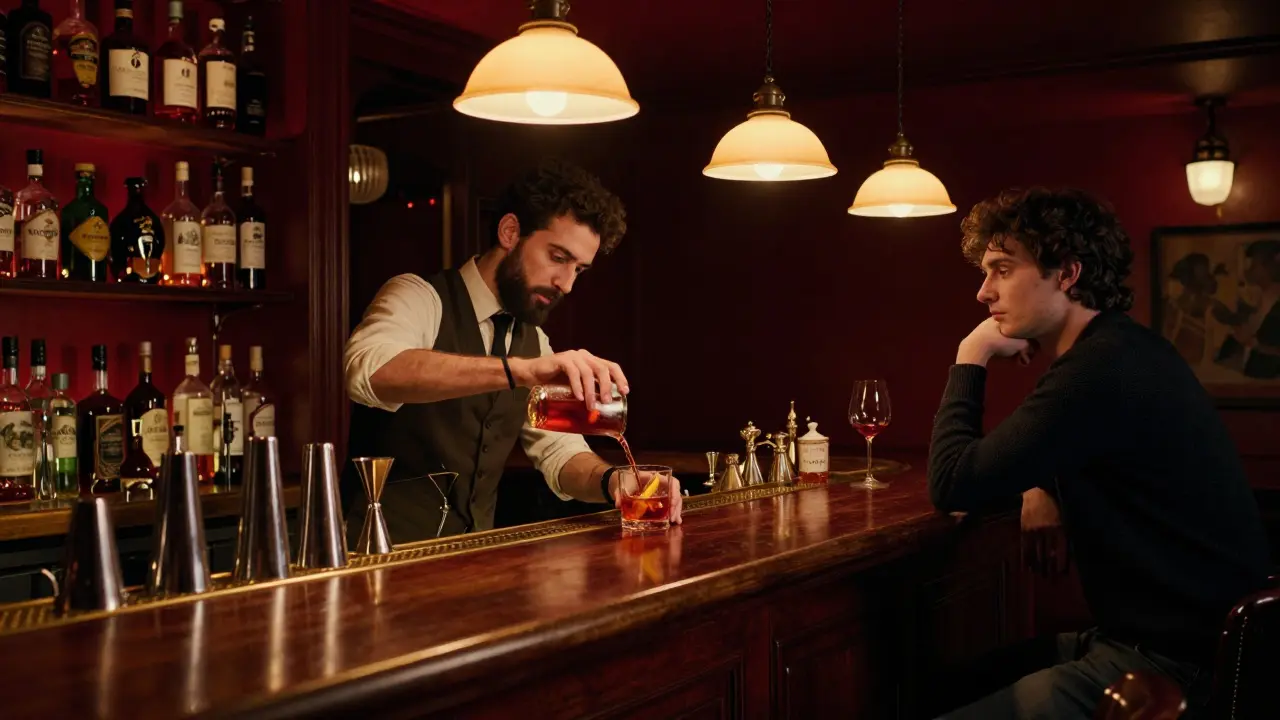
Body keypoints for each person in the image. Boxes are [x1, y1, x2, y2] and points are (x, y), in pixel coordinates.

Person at [927, 187, 1270, 719]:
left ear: (1067, 273)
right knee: (938, 689)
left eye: (1002, 270)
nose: (983, 292)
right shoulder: (1123, 349)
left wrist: (970, 355)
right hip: (1162, 643)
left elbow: (952, 481)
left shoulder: (1098, 370)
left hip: (1177, 666)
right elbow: (1085, 447)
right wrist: (1041, 482)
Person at [342, 159, 682, 543]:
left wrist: (613, 481)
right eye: (558, 258)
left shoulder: (533, 341)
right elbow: (367, 372)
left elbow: (561, 454)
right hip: (378, 553)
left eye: (579, 269)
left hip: (471, 556)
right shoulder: (419, 296)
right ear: (510, 232)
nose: (567, 284)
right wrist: (519, 371)